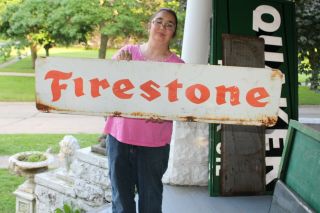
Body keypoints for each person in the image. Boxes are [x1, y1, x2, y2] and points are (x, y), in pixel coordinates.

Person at [103, 8, 184, 213]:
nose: (163, 27)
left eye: (169, 24)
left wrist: (167, 112)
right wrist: (118, 70)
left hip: (153, 144)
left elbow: (182, 106)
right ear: (149, 25)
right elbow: (104, 90)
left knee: (151, 201)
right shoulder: (127, 53)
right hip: (120, 138)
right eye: (159, 21)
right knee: (121, 200)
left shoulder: (179, 66)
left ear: (173, 32)